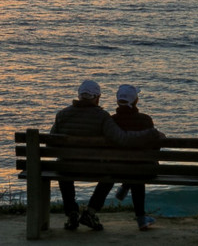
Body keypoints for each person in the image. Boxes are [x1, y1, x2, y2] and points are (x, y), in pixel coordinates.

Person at [50, 79, 162, 232]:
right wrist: (151, 134)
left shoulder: (62, 115)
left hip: (65, 167)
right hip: (95, 168)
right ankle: (90, 212)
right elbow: (122, 138)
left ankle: (72, 214)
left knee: (64, 168)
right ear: (97, 97)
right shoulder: (102, 117)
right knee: (111, 171)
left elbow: (51, 143)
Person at [111, 84, 158, 230]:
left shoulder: (111, 122)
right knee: (138, 168)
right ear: (136, 101)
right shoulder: (145, 120)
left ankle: (126, 184)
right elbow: (156, 149)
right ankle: (141, 218)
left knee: (133, 167)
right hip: (143, 169)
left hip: (116, 168)